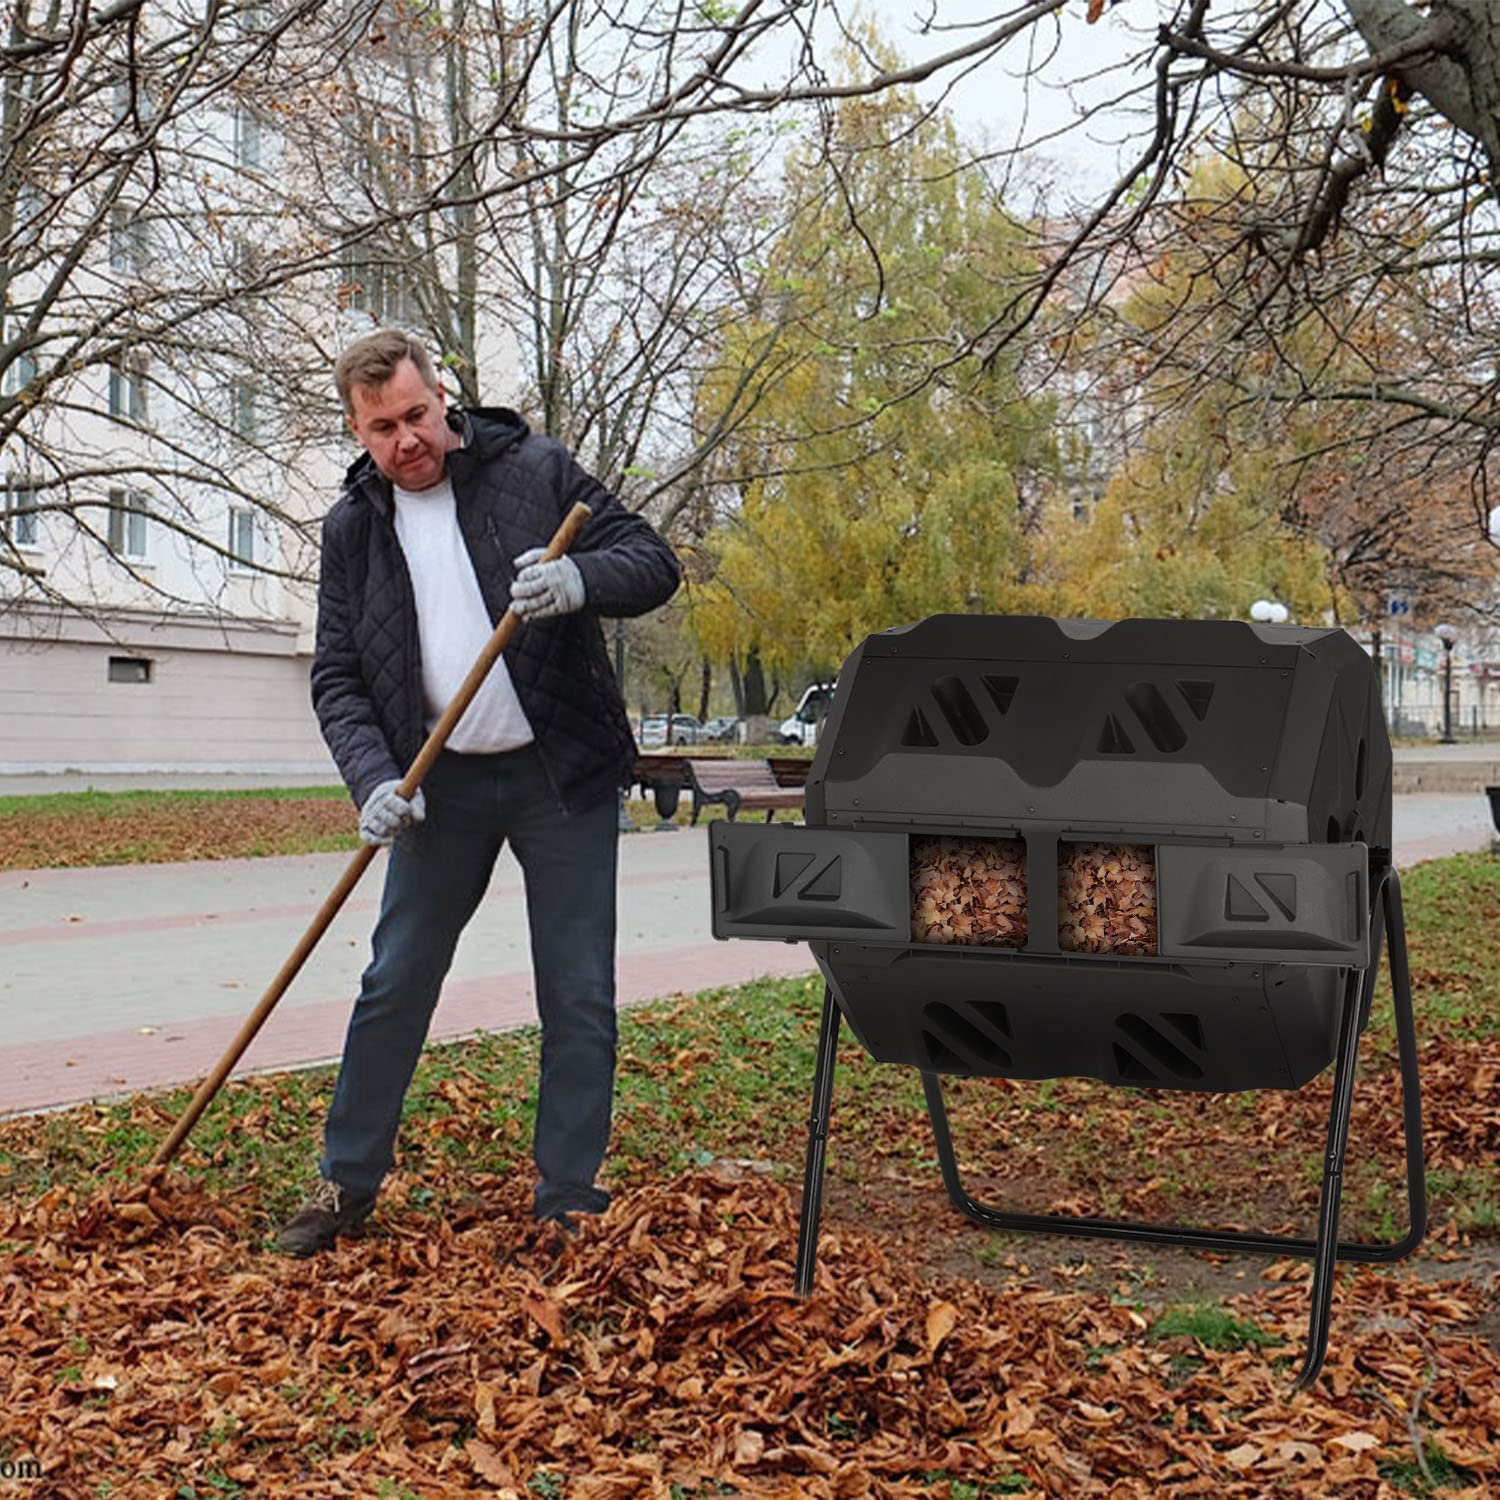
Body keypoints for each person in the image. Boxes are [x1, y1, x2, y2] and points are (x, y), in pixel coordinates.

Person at [276, 328, 680, 1256]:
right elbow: (337, 675)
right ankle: (346, 1184)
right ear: (358, 429)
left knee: (578, 989)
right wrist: (374, 778)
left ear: (443, 398)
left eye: (416, 415)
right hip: (436, 783)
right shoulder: (353, 529)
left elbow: (653, 562)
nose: (405, 440)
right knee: (394, 977)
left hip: (559, 771)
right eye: (381, 427)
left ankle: (568, 1194)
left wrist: (580, 577)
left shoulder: (533, 471)